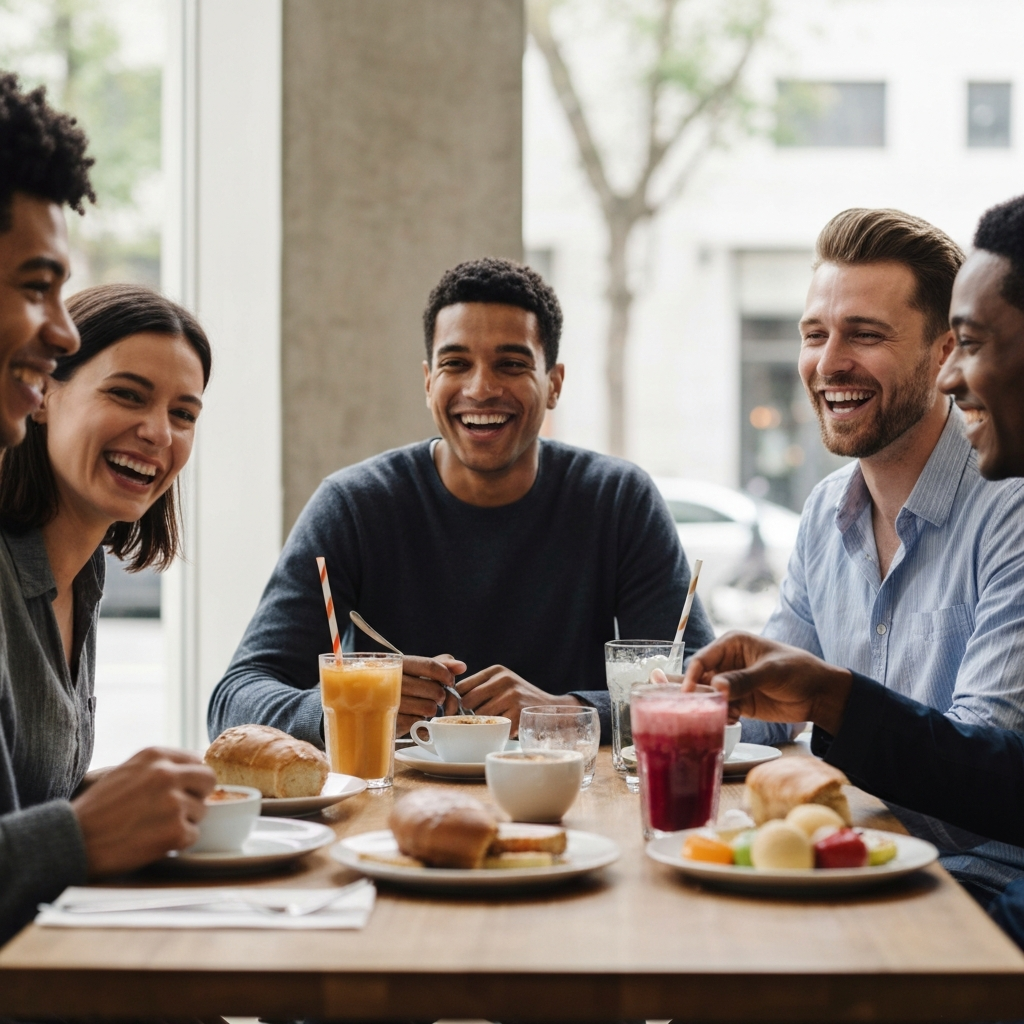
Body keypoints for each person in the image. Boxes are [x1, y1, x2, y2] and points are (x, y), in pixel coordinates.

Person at [681, 194, 1024, 934]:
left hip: (980, 889)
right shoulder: (824, 510)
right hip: (852, 868)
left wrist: (831, 697)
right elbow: (767, 720)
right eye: (814, 333)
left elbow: (989, 766)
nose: (828, 363)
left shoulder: (1010, 505)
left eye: (864, 335)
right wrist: (594, 711)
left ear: (943, 354)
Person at [209, 257, 711, 747]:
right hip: (385, 819)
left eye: (511, 364)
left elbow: (704, 689)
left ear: (554, 384)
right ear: (429, 382)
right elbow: (234, 699)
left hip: (572, 808)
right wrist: (346, 706)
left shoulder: (618, 499)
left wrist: (570, 711)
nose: (480, 388)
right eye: (456, 364)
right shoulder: (354, 505)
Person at [0, 144, 217, 950]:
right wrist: (84, 830)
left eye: (184, 413)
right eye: (127, 394)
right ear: (47, 392)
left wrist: (119, 800)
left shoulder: (80, 576)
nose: (158, 432)